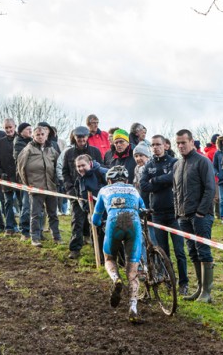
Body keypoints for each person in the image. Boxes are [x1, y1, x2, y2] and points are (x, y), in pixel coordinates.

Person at [91, 166, 146, 323]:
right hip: (133, 222)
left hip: (113, 222)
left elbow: (95, 219)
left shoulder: (104, 190)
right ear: (126, 180)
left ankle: (116, 279)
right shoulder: (134, 190)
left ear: (109, 180)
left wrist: (99, 222)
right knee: (133, 270)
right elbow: (143, 208)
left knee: (109, 258)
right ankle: (133, 309)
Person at [140, 135, 189, 295]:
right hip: (157, 213)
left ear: (165, 146)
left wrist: (155, 181)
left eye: (158, 144)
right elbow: (144, 185)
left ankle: (184, 283)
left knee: (180, 251)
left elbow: (173, 178)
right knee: (163, 251)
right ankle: (169, 280)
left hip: (175, 213)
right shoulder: (148, 165)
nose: (155, 147)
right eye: (153, 145)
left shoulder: (174, 162)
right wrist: (160, 182)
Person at [173, 129, 216, 303]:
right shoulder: (177, 164)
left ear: (191, 142)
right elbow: (175, 190)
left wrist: (201, 212)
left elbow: (210, 188)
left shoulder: (203, 161)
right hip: (183, 216)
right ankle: (199, 288)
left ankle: (207, 291)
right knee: (192, 251)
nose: (181, 146)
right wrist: (177, 212)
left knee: (203, 250)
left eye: (183, 142)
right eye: (178, 143)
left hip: (200, 216)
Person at [61, 126, 104, 258]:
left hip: (94, 192)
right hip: (76, 192)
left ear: (87, 137)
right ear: (74, 138)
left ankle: (99, 250)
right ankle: (75, 249)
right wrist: (70, 188)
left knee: (97, 221)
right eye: (78, 137)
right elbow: (65, 172)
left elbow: (100, 169)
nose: (81, 139)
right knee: (77, 221)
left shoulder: (95, 151)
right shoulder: (68, 153)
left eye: (83, 136)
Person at [16, 123, 61, 247]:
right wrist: (28, 185)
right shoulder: (28, 149)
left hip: (51, 187)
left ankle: (56, 237)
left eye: (42, 134)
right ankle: (34, 238)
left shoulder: (52, 149)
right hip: (36, 187)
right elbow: (20, 168)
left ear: (46, 136)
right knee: (35, 214)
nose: (40, 137)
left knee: (53, 214)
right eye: (37, 135)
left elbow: (59, 166)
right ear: (33, 136)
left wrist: (57, 182)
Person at [0, 118, 21, 234]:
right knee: (7, 203)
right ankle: (9, 227)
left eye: (10, 127)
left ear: (15, 126)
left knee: (22, 203)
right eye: (6, 128)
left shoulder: (22, 141)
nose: (9, 130)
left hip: (20, 178)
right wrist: (0, 174)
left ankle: (25, 227)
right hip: (6, 178)